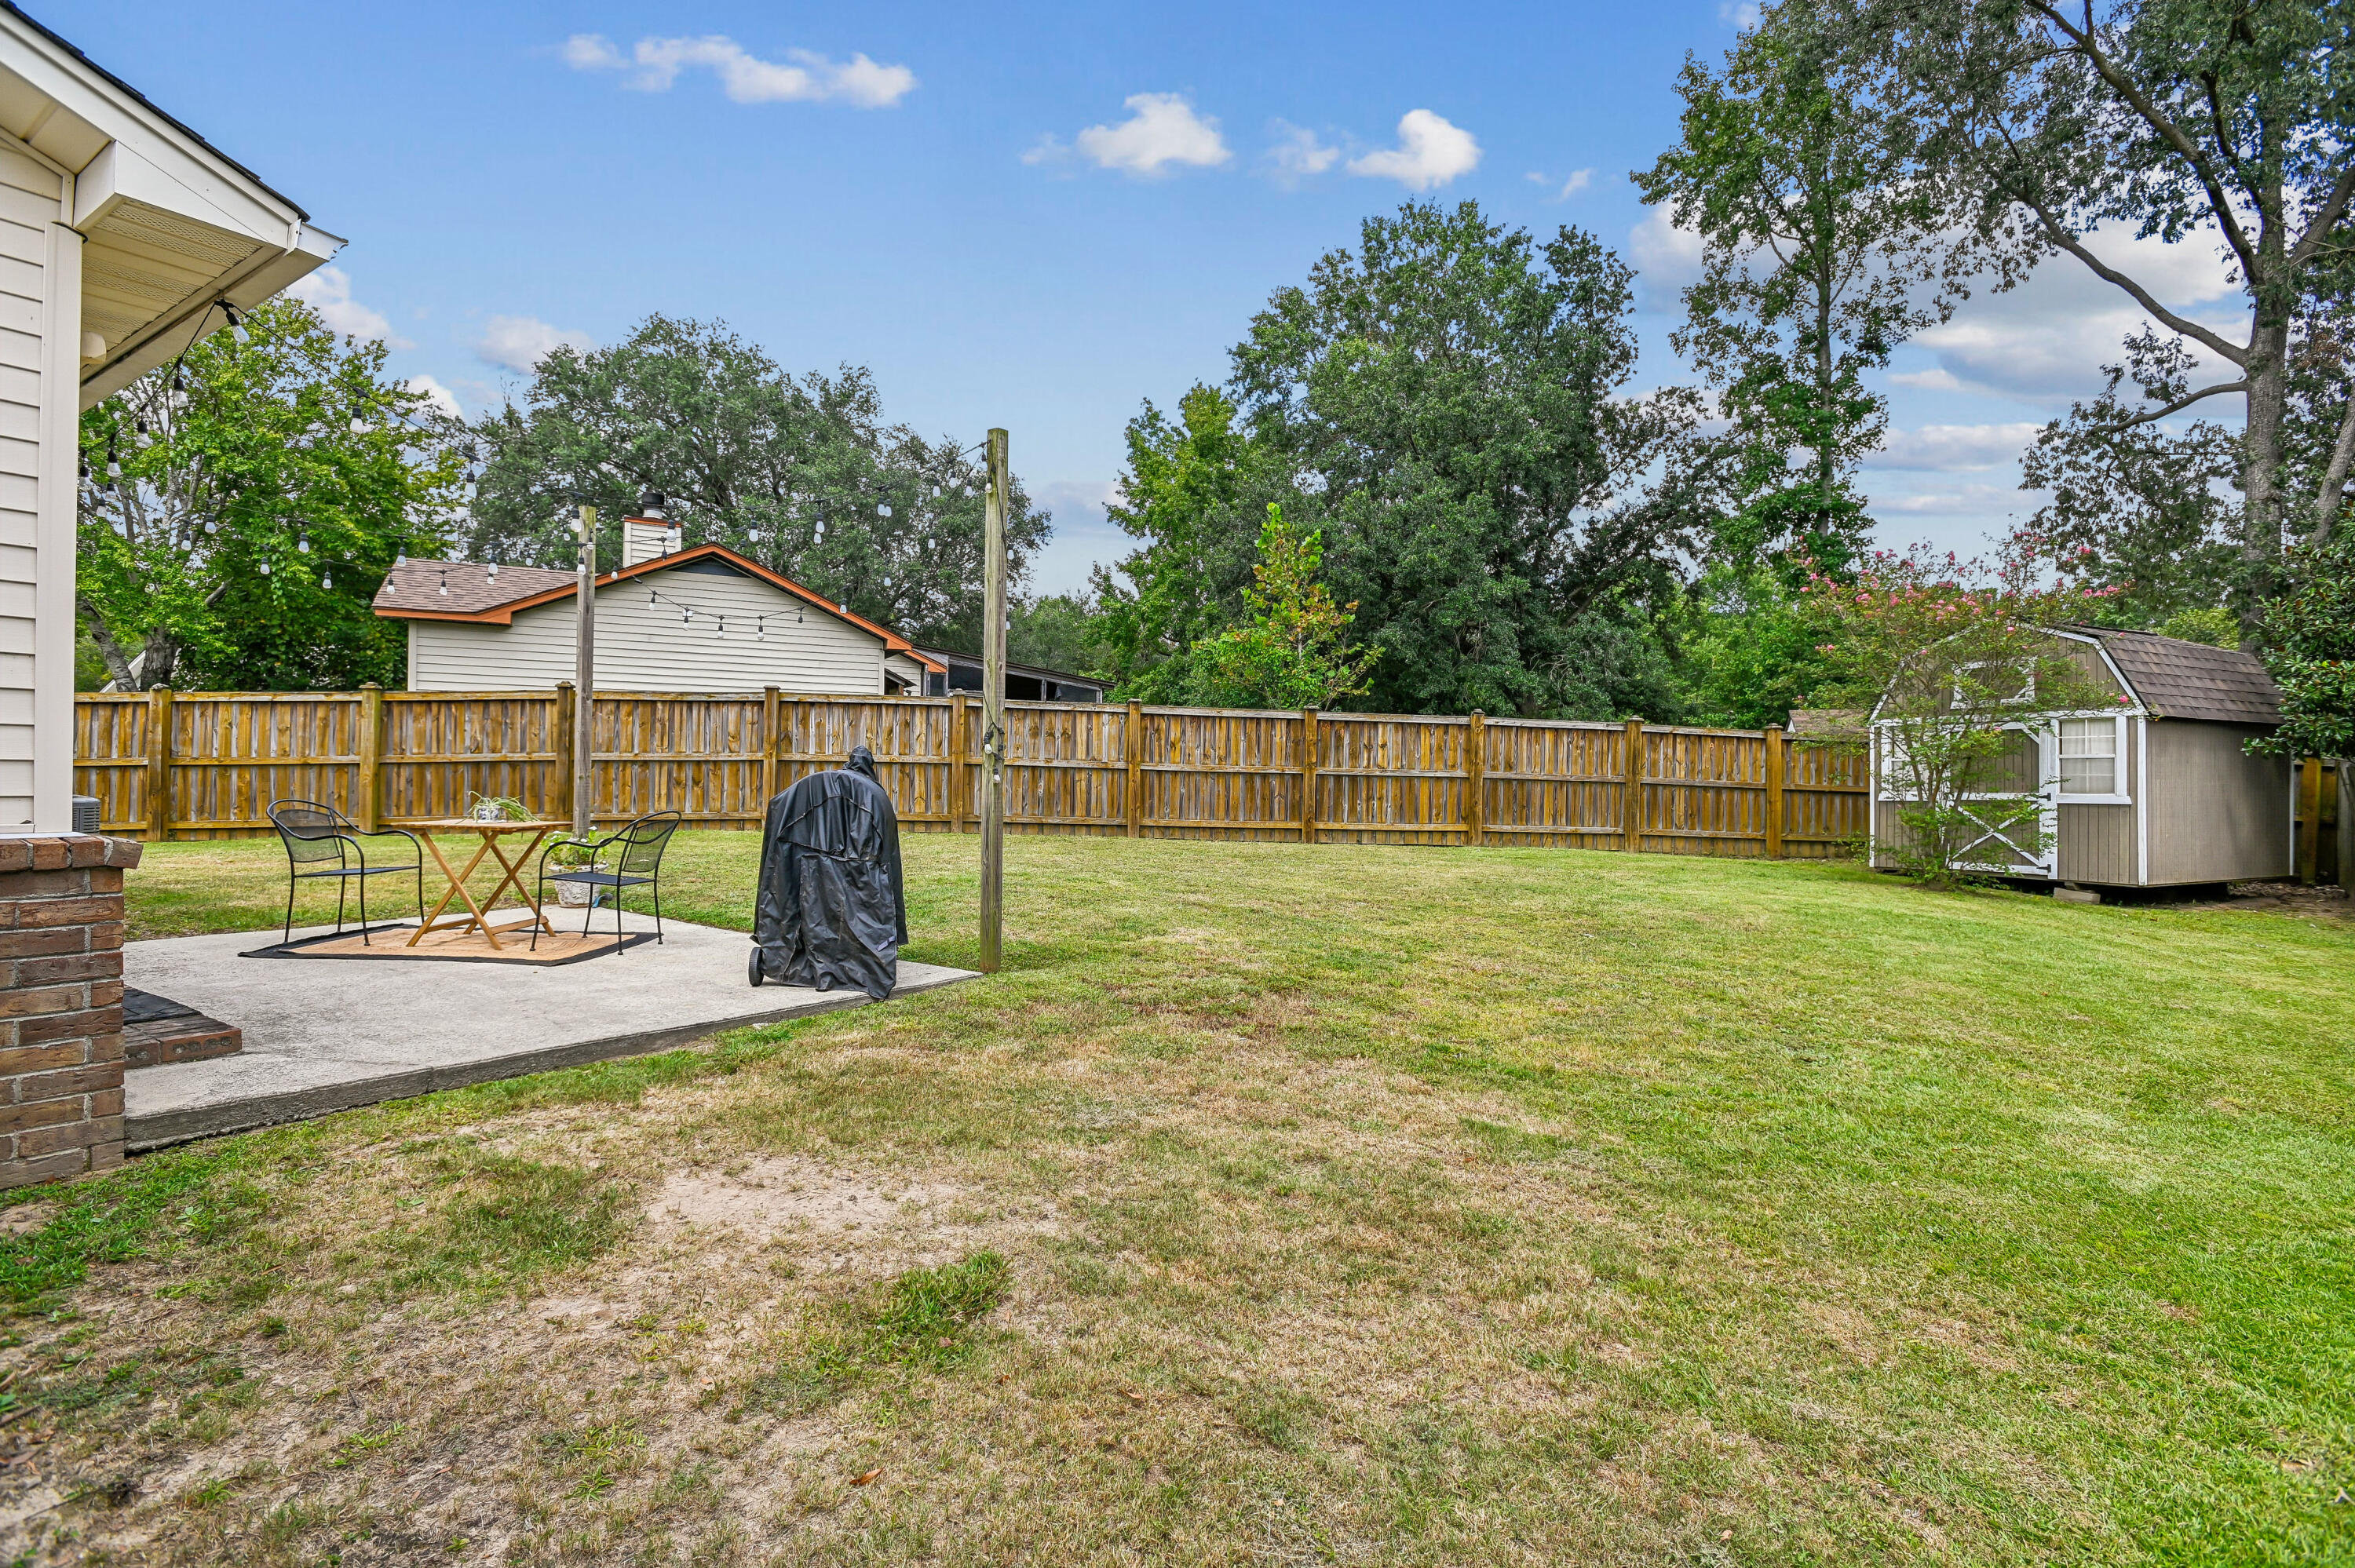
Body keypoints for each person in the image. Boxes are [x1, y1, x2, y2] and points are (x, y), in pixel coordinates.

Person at [750, 744, 907, 998]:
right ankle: (859, 963)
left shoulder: (814, 786)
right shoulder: (874, 795)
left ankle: (789, 959)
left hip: (807, 856)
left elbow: (778, 804)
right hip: (858, 865)